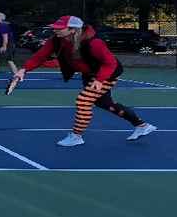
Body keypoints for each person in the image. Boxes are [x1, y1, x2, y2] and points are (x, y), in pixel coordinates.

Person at [14, 16, 157, 147]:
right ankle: (142, 126)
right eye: (55, 27)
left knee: (83, 101)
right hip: (89, 74)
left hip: (107, 73)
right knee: (105, 104)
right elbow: (40, 56)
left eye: (59, 28)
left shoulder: (94, 43)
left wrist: (100, 80)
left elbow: (110, 63)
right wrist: (24, 69)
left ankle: (76, 136)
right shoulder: (56, 40)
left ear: (72, 30)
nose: (55, 30)